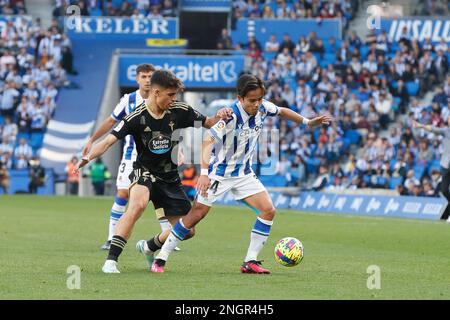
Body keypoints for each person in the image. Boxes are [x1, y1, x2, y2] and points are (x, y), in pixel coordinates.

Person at [146, 74, 332, 273]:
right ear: (240, 98)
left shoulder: (263, 108)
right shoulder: (230, 116)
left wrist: (307, 122)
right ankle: (161, 257)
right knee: (196, 215)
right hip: (219, 174)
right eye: (252, 100)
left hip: (243, 174)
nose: (257, 104)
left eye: (260, 99)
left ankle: (250, 261)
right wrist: (204, 173)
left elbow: (282, 111)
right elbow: (208, 142)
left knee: (268, 210)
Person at [74, 70, 233, 273]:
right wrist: (87, 157)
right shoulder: (135, 117)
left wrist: (220, 115)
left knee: (188, 231)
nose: (174, 99)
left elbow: (208, 123)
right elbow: (107, 142)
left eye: (175, 95)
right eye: (170, 95)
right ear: (156, 92)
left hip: (170, 178)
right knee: (137, 205)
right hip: (145, 172)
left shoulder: (180, 111)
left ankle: (149, 246)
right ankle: (111, 260)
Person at [83, 64, 169, 250]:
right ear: (137, 79)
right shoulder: (129, 100)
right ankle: (111, 237)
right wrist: (93, 139)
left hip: (157, 156)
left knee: (159, 194)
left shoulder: (162, 98)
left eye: (150, 76)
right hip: (132, 156)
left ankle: (167, 235)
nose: (147, 80)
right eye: (144, 76)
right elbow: (111, 120)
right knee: (123, 193)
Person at [413, 118, 450, 220]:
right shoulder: (446, 131)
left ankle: (447, 215)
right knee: (444, 190)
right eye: (448, 119)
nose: (449, 120)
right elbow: (433, 129)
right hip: (445, 165)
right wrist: (420, 125)